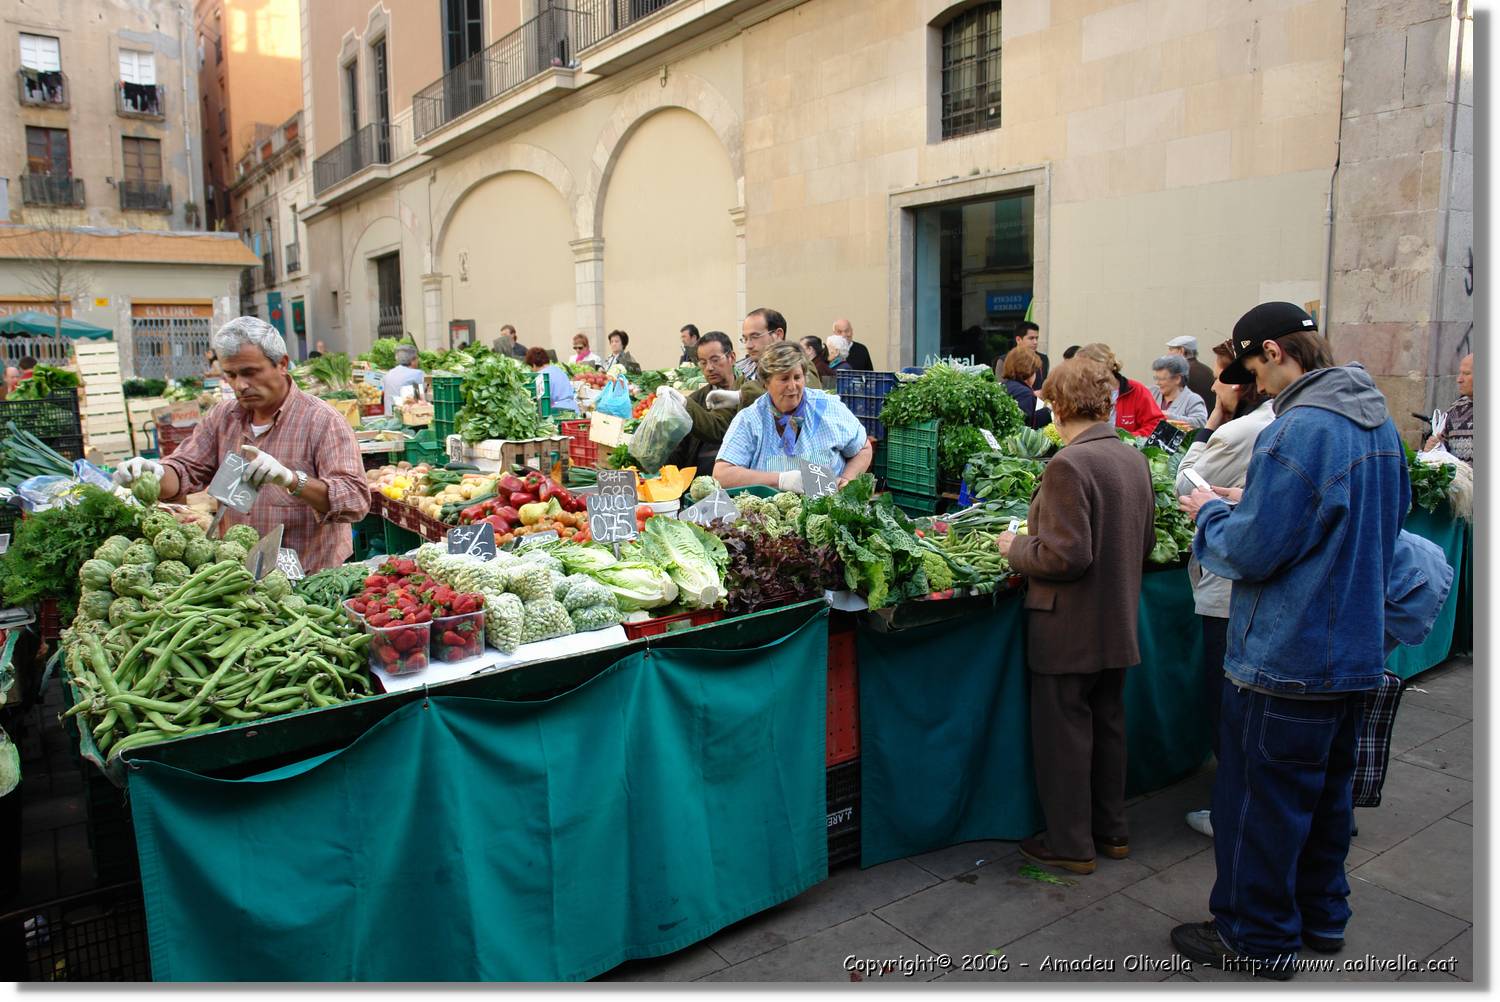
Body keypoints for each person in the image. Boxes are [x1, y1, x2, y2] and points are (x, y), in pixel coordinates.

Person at [1171, 302, 1409, 980]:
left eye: (1251, 370)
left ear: (1273, 351)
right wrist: (1251, 500)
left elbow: (1248, 553)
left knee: (1260, 808)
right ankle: (1322, 918)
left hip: (1288, 657)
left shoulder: (1298, 429)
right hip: (1354, 651)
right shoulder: (1378, 420)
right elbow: (1374, 520)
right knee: (1328, 799)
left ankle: (1257, 939)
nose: (1252, 385)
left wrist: (1212, 513)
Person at [994, 356, 1155, 875]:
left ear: (1059, 406)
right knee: (1108, 729)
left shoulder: (1069, 465)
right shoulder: (1130, 458)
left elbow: (1066, 556)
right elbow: (1145, 543)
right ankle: (1112, 831)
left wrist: (1016, 547)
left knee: (1064, 737)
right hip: (1116, 622)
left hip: (1068, 627)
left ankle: (1069, 844)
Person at [109, 317, 370, 573]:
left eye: (249, 373)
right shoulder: (223, 417)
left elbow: (355, 499)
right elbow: (186, 469)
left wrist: (292, 480)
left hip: (309, 576)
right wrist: (152, 474)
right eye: (231, 375)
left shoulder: (323, 421)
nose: (240, 385)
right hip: (238, 576)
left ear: (282, 364)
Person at [1173, 339, 1276, 839]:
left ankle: (1232, 810)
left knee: (1228, 704)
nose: (1213, 385)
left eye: (1220, 376)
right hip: (1258, 586)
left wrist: (1212, 421)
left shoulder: (1240, 430)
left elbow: (1183, 483)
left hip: (1226, 588)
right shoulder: (1281, 421)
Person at [714, 341, 873, 491]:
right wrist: (781, 480)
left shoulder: (828, 407)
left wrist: (846, 481)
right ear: (765, 383)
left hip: (827, 506)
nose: (792, 386)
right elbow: (722, 475)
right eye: (784, 379)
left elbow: (863, 448)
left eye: (797, 377)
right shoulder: (750, 419)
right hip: (773, 508)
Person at [661, 331, 749, 472]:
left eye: (715, 360)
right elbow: (678, 452)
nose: (709, 368)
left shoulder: (748, 395)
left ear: (732, 357)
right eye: (703, 362)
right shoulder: (694, 401)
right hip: (700, 477)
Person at [1077, 343, 1163, 437]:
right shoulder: (1083, 393)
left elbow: (1156, 425)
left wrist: (1128, 439)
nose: (1082, 375)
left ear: (1105, 365)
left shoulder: (1136, 390)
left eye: (1087, 369)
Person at [737, 308, 822, 388]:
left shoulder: (800, 365)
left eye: (755, 336)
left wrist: (745, 393)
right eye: (745, 339)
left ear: (778, 334)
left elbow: (804, 395)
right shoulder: (741, 371)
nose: (748, 345)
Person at [1423, 352, 1473, 466]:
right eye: (1460, 373)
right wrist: (1432, 448)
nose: (1459, 379)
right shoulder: (1455, 409)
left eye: (1466, 373)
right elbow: (1442, 454)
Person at [999, 345, 1052, 429]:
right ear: (1029, 371)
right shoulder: (1024, 393)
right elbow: (1026, 425)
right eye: (1035, 372)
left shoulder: (1004, 385)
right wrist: (1048, 410)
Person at [1150, 355, 1209, 428]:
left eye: (1162, 379)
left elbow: (1200, 423)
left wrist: (1168, 417)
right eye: (1156, 378)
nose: (1157, 383)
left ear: (1177, 379)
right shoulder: (1152, 392)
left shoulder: (1192, 399)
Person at [525, 346, 579, 416]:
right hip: (573, 409)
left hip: (558, 413)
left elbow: (541, 404)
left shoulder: (540, 376)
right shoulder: (559, 370)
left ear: (534, 365)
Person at [1166, 335, 1217, 402]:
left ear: (1181, 351)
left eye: (1171, 349)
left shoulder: (1179, 374)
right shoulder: (1208, 371)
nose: (1168, 354)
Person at [382, 344, 426, 415]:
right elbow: (419, 397)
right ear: (412, 360)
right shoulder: (417, 373)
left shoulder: (389, 373)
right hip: (405, 417)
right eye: (417, 358)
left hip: (389, 415)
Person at [1016, 321, 1050, 385]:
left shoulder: (1043, 359)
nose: (1035, 342)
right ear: (1018, 340)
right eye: (1031, 338)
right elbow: (1003, 388)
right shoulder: (1004, 360)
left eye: (1036, 338)